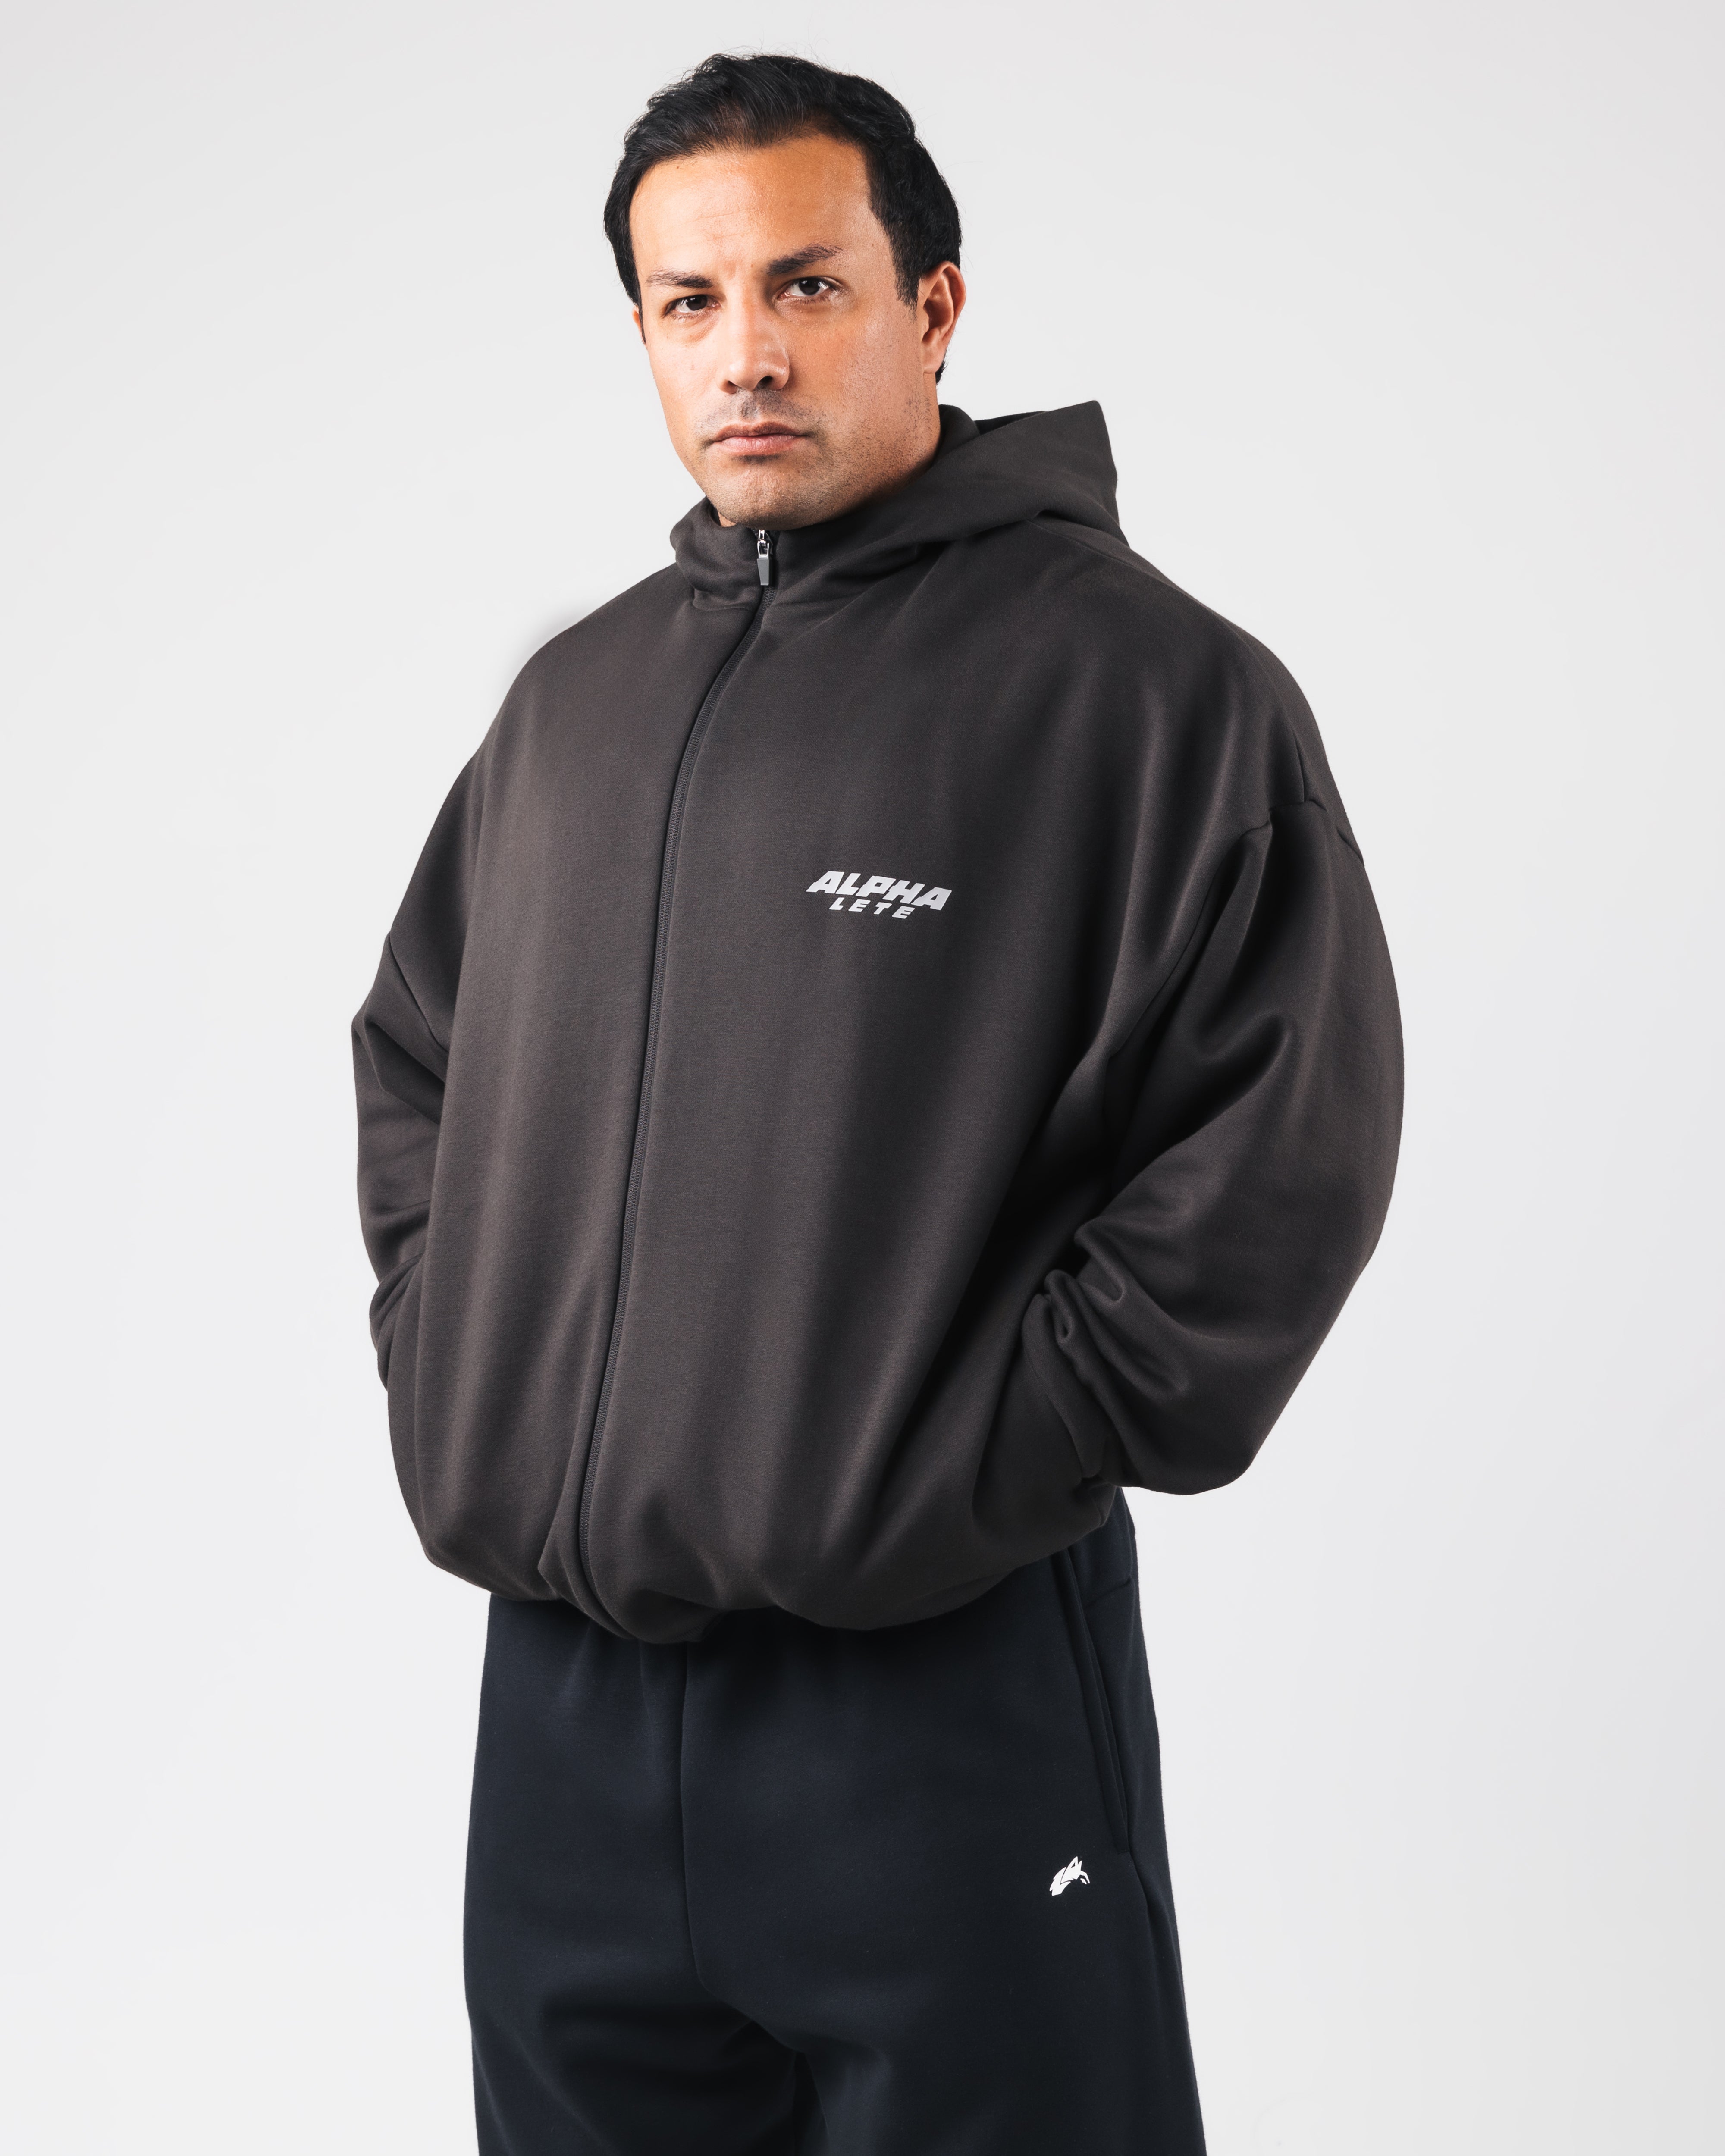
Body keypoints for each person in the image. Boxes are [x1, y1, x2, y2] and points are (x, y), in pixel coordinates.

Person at [353, 50, 1402, 2156]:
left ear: (932, 305)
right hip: (561, 1718)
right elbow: (415, 1064)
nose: (744, 351)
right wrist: (466, 1373)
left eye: (805, 286)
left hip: (935, 1693)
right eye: (689, 301)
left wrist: (963, 1461)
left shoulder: (1145, 691)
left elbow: (1278, 1137)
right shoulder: (570, 708)